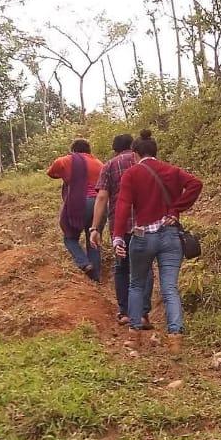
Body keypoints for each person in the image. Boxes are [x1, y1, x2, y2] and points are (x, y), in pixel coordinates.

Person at [112, 130, 202, 352]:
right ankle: (175, 337)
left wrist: (117, 237)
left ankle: (134, 335)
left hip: (143, 237)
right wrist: (177, 208)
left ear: (135, 154)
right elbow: (195, 184)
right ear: (155, 151)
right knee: (170, 287)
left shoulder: (132, 174)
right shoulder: (171, 170)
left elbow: (122, 207)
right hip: (170, 236)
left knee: (136, 285)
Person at [89, 133, 152, 326]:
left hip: (120, 224)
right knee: (145, 269)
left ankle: (125, 312)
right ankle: (142, 314)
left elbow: (101, 198)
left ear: (115, 149)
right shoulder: (145, 163)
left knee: (122, 268)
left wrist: (95, 227)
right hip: (146, 224)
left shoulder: (109, 166)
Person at [48, 139, 104, 281]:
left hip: (80, 203)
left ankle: (84, 263)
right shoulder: (99, 163)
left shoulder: (68, 160)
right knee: (94, 238)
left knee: (70, 237)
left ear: (73, 150)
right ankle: (95, 278)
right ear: (89, 150)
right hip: (100, 204)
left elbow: (51, 172)